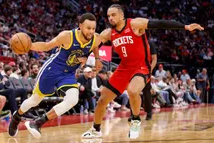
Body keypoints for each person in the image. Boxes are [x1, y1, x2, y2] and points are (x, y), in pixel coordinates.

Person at [81, 4, 204, 139]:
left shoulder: (134, 24)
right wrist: (92, 57)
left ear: (121, 15)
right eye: (108, 16)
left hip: (141, 67)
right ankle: (96, 129)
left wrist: (184, 27)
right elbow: (94, 43)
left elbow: (159, 23)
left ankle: (135, 120)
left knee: (133, 90)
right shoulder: (109, 33)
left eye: (113, 15)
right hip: (124, 68)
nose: (110, 18)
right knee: (102, 100)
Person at [8, 13, 104, 138]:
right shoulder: (67, 36)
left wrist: (96, 58)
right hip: (52, 70)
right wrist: (30, 46)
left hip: (68, 74)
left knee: (73, 99)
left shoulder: (96, 38)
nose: (91, 31)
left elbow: (95, 45)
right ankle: (17, 116)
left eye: (93, 28)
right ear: (80, 26)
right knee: (35, 100)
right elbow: (47, 46)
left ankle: (38, 122)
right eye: (88, 28)